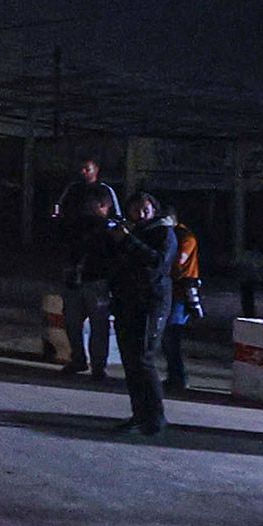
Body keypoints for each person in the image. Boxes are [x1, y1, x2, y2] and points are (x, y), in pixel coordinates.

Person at [78, 186, 175, 436]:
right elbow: (110, 261)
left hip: (150, 304)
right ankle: (139, 414)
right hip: (125, 302)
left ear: (154, 209)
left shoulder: (163, 233)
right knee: (131, 362)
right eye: (135, 208)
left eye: (146, 208)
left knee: (143, 359)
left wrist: (128, 240)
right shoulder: (127, 232)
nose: (140, 213)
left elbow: (157, 262)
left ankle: (154, 418)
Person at [52, 156, 120, 376]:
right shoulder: (71, 194)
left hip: (97, 279)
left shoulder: (107, 227)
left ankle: (98, 365)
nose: (83, 172)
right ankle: (78, 359)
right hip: (73, 276)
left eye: (87, 168)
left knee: (99, 324)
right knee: (72, 321)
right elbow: (58, 222)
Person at [157, 200, 201, 391]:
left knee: (172, 336)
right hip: (171, 290)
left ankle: (179, 377)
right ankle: (174, 375)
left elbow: (178, 262)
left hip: (181, 291)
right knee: (168, 337)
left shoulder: (185, 237)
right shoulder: (174, 234)